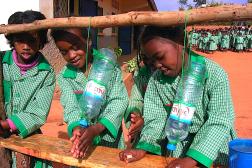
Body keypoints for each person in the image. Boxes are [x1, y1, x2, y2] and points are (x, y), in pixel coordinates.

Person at [119, 26, 237, 168]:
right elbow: (155, 118)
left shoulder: (214, 74)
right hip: (177, 146)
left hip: (210, 148)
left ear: (181, 44)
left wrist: (193, 159)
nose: (157, 65)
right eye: (152, 61)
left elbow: (220, 120)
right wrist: (144, 147)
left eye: (160, 57)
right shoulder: (157, 80)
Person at [51, 27, 128, 159]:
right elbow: (70, 106)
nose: (71, 55)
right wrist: (76, 129)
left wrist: (97, 128)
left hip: (109, 141)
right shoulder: (65, 76)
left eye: (75, 47)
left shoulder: (109, 66)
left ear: (88, 41)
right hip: (81, 141)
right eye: (64, 52)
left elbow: (119, 100)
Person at [1, 10, 56, 167]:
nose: (26, 46)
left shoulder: (47, 72)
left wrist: (8, 124)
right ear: (12, 40)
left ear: (41, 41)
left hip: (27, 134)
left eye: (31, 41)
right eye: (20, 40)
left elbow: (39, 111)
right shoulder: (1, 62)